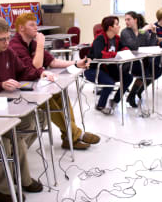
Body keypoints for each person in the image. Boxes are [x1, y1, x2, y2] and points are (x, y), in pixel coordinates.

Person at [0, 17, 49, 202]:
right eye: (2, 39)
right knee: (12, 140)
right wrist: (0, 84)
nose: (7, 42)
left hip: (9, 103)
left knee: (37, 120)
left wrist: (40, 73)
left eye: (8, 38)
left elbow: (23, 71)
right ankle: (2, 186)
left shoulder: (9, 52)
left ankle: (18, 174)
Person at [9, 13, 100, 150]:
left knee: (62, 95)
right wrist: (40, 45)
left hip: (36, 84)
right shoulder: (15, 45)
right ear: (21, 28)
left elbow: (52, 61)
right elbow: (36, 66)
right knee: (49, 101)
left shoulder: (32, 43)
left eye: (36, 24)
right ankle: (75, 135)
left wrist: (76, 63)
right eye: (32, 25)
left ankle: (68, 137)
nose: (36, 28)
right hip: (20, 90)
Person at [84, 16, 133, 115]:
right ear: (110, 27)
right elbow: (100, 55)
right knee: (109, 83)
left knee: (128, 78)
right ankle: (100, 105)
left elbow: (125, 48)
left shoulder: (116, 39)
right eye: (117, 24)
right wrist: (116, 55)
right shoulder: (99, 39)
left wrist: (124, 52)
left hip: (108, 69)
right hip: (93, 70)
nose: (119, 26)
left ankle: (114, 101)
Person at [120, 11, 162, 108]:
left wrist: (154, 34)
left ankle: (136, 91)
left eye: (128, 19)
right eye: (125, 19)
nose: (126, 22)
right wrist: (143, 30)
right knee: (144, 71)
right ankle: (133, 94)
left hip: (143, 60)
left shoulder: (142, 31)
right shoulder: (125, 32)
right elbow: (134, 46)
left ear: (135, 20)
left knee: (157, 70)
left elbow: (151, 45)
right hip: (130, 62)